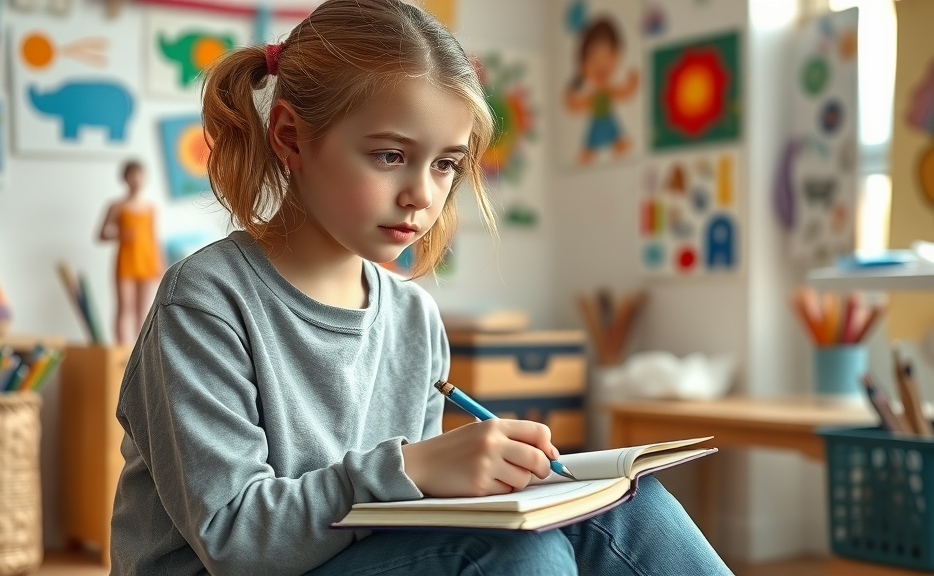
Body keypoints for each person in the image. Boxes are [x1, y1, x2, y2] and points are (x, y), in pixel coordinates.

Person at [109, 1, 732, 575]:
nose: (423, 194)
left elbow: (409, 518)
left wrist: (494, 484)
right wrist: (415, 468)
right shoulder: (206, 302)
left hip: (344, 557)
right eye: (388, 156)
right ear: (291, 137)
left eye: (445, 164)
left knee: (629, 504)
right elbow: (237, 543)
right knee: (518, 555)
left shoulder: (413, 315)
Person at [97, 160, 163, 345]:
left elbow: (154, 237)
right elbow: (101, 234)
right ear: (125, 178)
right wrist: (120, 235)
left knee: (143, 310)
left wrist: (158, 263)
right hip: (125, 260)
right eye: (132, 175)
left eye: (139, 175)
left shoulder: (150, 207)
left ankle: (141, 349)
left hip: (146, 260)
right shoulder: (116, 206)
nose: (136, 179)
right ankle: (122, 349)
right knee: (124, 307)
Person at [565, 17, 640, 165]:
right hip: (596, 122)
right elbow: (578, 104)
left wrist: (632, 83)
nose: (601, 66)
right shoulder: (592, 94)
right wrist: (572, 99)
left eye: (607, 57)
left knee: (614, 131)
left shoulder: (608, 89)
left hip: (609, 120)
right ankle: (589, 151)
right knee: (592, 138)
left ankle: (617, 143)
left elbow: (623, 93)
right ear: (583, 64)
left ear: (617, 56)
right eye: (594, 60)